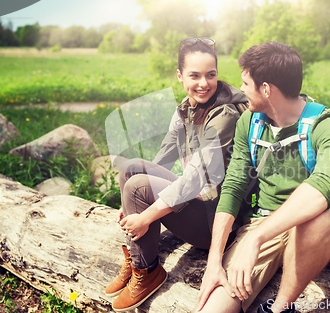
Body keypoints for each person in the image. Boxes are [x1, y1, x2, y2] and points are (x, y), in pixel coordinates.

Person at [195, 42, 330, 313]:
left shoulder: (327, 125)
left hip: (311, 227)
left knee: (320, 219)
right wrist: (214, 263)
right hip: (261, 224)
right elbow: (232, 188)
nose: (240, 89)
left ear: (266, 89)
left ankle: (279, 309)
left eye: (245, 83)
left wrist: (256, 240)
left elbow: (325, 185)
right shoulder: (249, 123)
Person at [105, 37, 248, 312]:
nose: (203, 83)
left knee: (138, 188)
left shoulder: (225, 115)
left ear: (218, 74)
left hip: (220, 221)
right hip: (201, 203)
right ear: (180, 76)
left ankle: (147, 272)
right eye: (195, 75)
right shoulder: (186, 107)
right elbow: (164, 156)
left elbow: (196, 178)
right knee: (133, 169)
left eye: (211, 75)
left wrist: (145, 213)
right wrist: (129, 201)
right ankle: (138, 257)